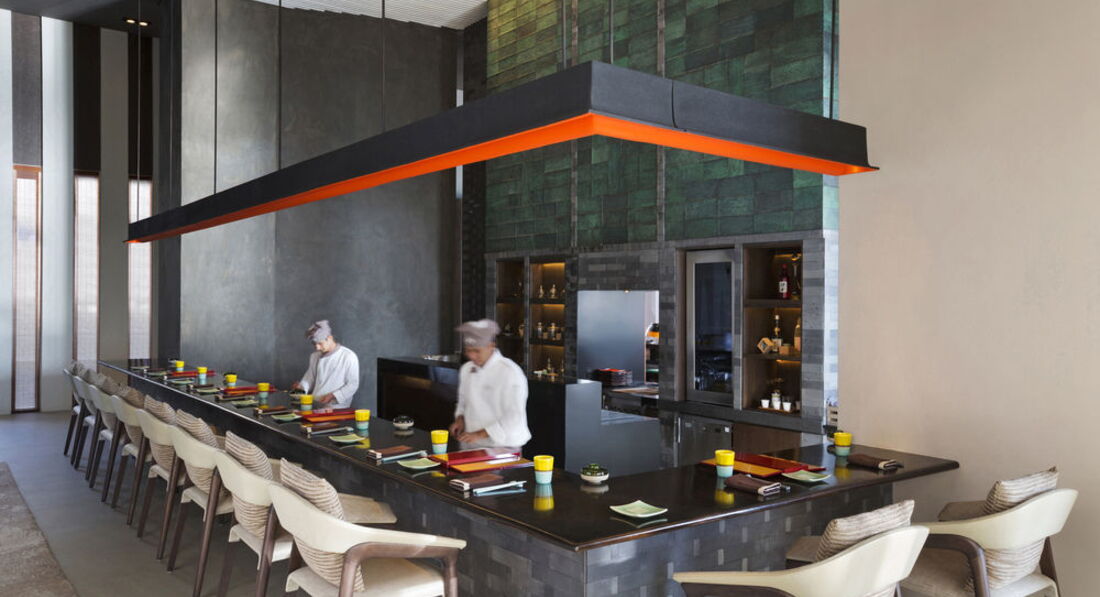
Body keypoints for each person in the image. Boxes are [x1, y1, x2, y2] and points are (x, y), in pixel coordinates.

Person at [449, 319, 531, 449]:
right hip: (471, 442)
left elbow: (513, 416)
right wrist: (460, 419)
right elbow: (463, 401)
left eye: (477, 351)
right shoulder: (467, 369)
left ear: (491, 346)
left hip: (504, 445)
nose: (472, 356)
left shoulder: (510, 372)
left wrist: (480, 434)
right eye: (468, 351)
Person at [289, 320, 360, 409]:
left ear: (329, 338)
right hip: (315, 405)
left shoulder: (348, 356)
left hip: (338, 408)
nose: (317, 347)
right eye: (314, 344)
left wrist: (333, 395)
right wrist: (298, 390)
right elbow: (309, 379)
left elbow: (353, 384)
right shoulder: (314, 356)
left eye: (320, 343)